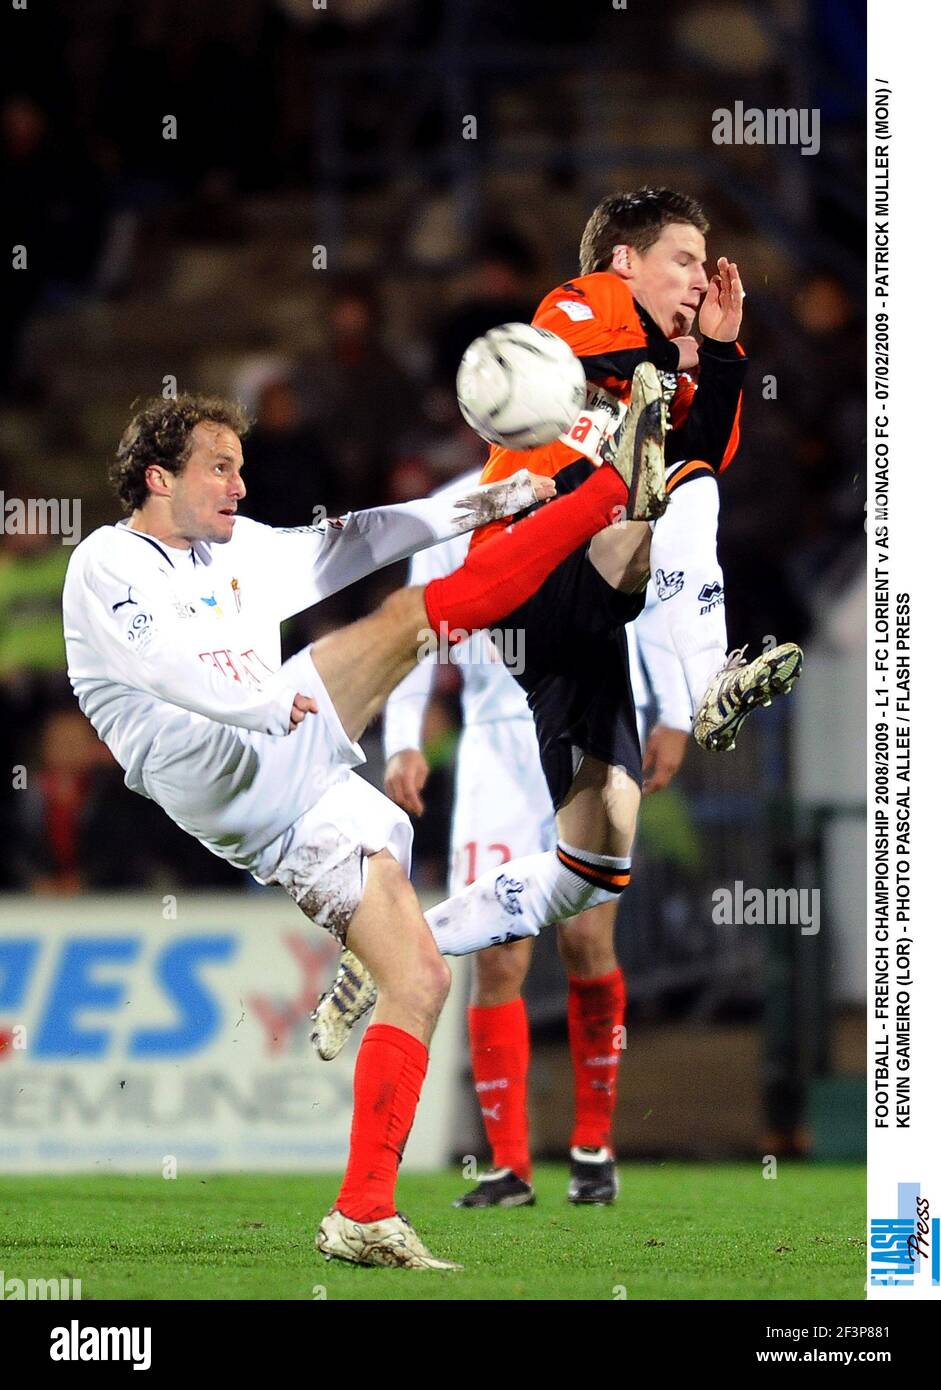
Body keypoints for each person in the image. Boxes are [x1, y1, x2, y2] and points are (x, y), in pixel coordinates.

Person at [61, 387, 664, 1271]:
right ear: (158, 477)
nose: (238, 483)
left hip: (284, 788)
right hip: (219, 762)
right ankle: (604, 496)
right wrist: (263, 700)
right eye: (217, 467)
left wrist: (497, 499)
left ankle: (362, 1213)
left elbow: (369, 536)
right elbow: (165, 665)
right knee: (413, 619)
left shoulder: (241, 551)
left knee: (419, 977)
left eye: (240, 465)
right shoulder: (109, 562)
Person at [383, 473, 692, 1208]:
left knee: (585, 942)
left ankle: (592, 1146)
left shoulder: (599, 483)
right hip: (493, 747)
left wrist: (671, 711)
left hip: (593, 719)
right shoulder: (458, 504)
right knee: (495, 957)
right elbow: (412, 627)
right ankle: (509, 1165)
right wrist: (402, 739)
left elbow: (650, 598)